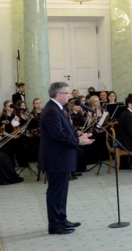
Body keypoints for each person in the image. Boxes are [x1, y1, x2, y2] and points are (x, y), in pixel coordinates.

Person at [38, 82, 92, 235]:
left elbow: (65, 131)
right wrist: (78, 141)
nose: (69, 96)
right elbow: (58, 135)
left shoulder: (57, 108)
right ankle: (55, 225)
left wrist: (79, 136)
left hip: (61, 157)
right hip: (56, 158)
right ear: (59, 94)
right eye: (67, 93)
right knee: (56, 192)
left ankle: (62, 219)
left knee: (62, 192)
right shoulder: (51, 111)